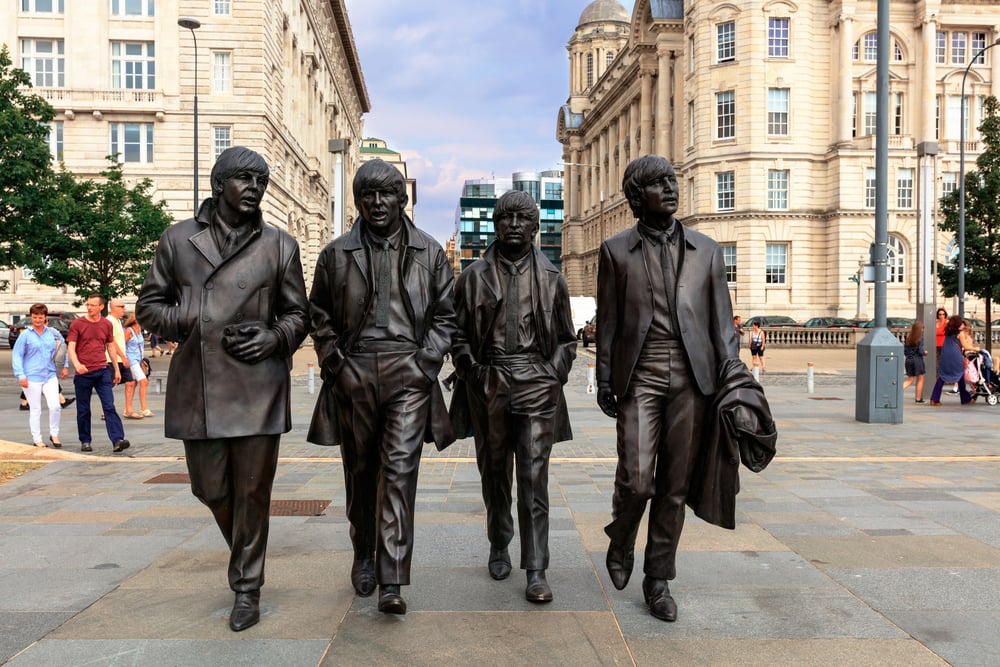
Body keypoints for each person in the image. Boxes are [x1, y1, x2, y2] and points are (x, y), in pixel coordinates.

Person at [136, 146, 310, 632]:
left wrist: (275, 336)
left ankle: (246, 587)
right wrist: (192, 316)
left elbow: (300, 314)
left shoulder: (280, 245)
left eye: (261, 181)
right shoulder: (177, 240)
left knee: (253, 493)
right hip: (200, 388)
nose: (255, 188)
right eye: (244, 179)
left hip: (258, 386)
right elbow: (149, 308)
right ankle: (245, 559)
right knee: (209, 488)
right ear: (219, 185)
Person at [308, 159, 456, 616]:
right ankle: (363, 551)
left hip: (408, 373)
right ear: (358, 201)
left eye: (386, 193)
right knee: (360, 473)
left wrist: (425, 363)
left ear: (401, 198)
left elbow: (446, 316)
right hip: (354, 373)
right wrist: (337, 365)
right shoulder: (336, 254)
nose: (377, 202)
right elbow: (320, 317)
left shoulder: (430, 253)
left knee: (398, 473)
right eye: (368, 195)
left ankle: (392, 577)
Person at [596, 155, 739, 622]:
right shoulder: (616, 251)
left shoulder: (708, 251)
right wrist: (603, 378)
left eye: (672, 180)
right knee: (638, 479)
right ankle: (621, 536)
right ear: (638, 197)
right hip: (640, 375)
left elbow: (723, 327)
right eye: (658, 183)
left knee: (674, 485)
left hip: (693, 380)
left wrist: (732, 380)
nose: (671, 188)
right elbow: (610, 324)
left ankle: (658, 580)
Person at [449, 190, 577, 603]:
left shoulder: (553, 278)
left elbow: (565, 339)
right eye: (506, 218)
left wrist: (552, 374)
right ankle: (499, 540)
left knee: (533, 477)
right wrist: (471, 368)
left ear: (536, 227)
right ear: (494, 225)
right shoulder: (471, 278)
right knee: (495, 472)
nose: (515, 225)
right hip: (490, 379)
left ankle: (536, 567)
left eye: (523, 218)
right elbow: (456, 332)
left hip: (536, 381)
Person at [67, 294, 128, 454]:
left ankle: (118, 440)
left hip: (102, 371)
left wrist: (116, 368)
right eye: (88, 304)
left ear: (101, 307)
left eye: (93, 305)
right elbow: (71, 348)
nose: (89, 307)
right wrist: (77, 365)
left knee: (109, 406)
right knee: (84, 409)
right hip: (83, 373)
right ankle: (85, 440)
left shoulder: (106, 324)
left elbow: (110, 346)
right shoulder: (77, 324)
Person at [12, 303, 70, 447]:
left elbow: (63, 349)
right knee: (36, 409)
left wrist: (65, 366)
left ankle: (54, 434)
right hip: (31, 376)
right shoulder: (25, 335)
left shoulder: (53, 333)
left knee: (55, 406)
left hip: (50, 375)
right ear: (31, 317)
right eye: (34, 317)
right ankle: (37, 439)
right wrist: (21, 375)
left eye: (40, 317)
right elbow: (17, 356)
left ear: (45, 317)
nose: (37, 320)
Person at [929, 315, 974, 406]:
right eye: (961, 322)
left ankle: (934, 398)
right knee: (960, 374)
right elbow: (965, 346)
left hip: (945, 355)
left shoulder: (948, 332)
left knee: (942, 376)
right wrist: (977, 349)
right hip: (955, 355)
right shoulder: (960, 333)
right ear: (958, 324)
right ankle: (965, 399)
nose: (962, 324)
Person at [122, 312, 151, 419]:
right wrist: (123, 358)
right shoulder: (129, 331)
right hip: (131, 359)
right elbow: (121, 344)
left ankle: (127, 409)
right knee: (144, 381)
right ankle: (144, 408)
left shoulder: (139, 331)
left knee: (133, 383)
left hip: (138, 360)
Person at [902, 320, 927, 403]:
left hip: (909, 360)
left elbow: (905, 351)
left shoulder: (908, 339)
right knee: (920, 379)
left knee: (910, 379)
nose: (923, 330)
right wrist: (925, 353)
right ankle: (918, 398)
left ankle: (897, 390)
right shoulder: (920, 339)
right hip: (917, 360)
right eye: (922, 328)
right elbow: (920, 351)